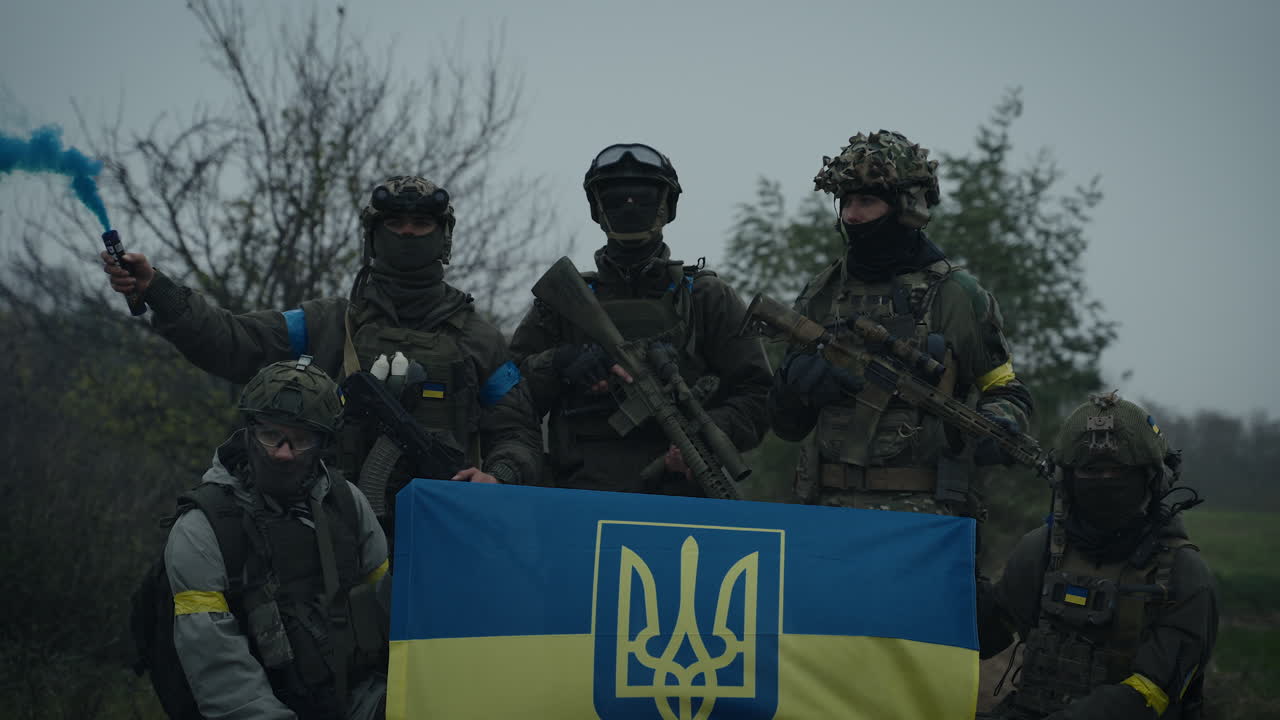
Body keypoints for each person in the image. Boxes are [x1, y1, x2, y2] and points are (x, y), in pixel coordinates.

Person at [102, 176, 543, 507]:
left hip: (443, 526)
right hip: (330, 531)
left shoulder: (479, 340)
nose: (408, 232)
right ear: (374, 233)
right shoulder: (328, 324)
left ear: (443, 234)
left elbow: (518, 433)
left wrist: (498, 477)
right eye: (396, 222)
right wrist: (159, 289)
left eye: (421, 223)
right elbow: (235, 342)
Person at [768, 130, 1033, 516]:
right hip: (826, 514)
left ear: (908, 207)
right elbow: (787, 426)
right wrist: (795, 381)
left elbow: (1007, 390)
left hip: (923, 518)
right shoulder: (823, 292)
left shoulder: (955, 294)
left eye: (867, 201)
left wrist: (1000, 422)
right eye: (846, 202)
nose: (852, 215)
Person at [509, 143, 771, 494]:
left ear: (667, 206)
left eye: (643, 196)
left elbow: (758, 395)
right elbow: (504, 391)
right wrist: (560, 363)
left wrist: (706, 437)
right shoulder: (564, 301)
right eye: (617, 197)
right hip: (579, 492)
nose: (630, 205)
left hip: (683, 489)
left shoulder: (705, 297)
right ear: (598, 208)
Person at [165, 357, 390, 719]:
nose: (283, 452)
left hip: (362, 697)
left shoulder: (347, 502)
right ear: (249, 431)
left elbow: (390, 609)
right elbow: (217, 665)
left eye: (300, 439)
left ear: (323, 444)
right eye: (271, 435)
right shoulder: (202, 527)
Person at [977, 392, 1218, 719]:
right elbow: (988, 635)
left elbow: (1152, 691)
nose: (1104, 480)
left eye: (1118, 470)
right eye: (1090, 469)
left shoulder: (1181, 573)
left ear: (1152, 478)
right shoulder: (1041, 550)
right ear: (1067, 480)